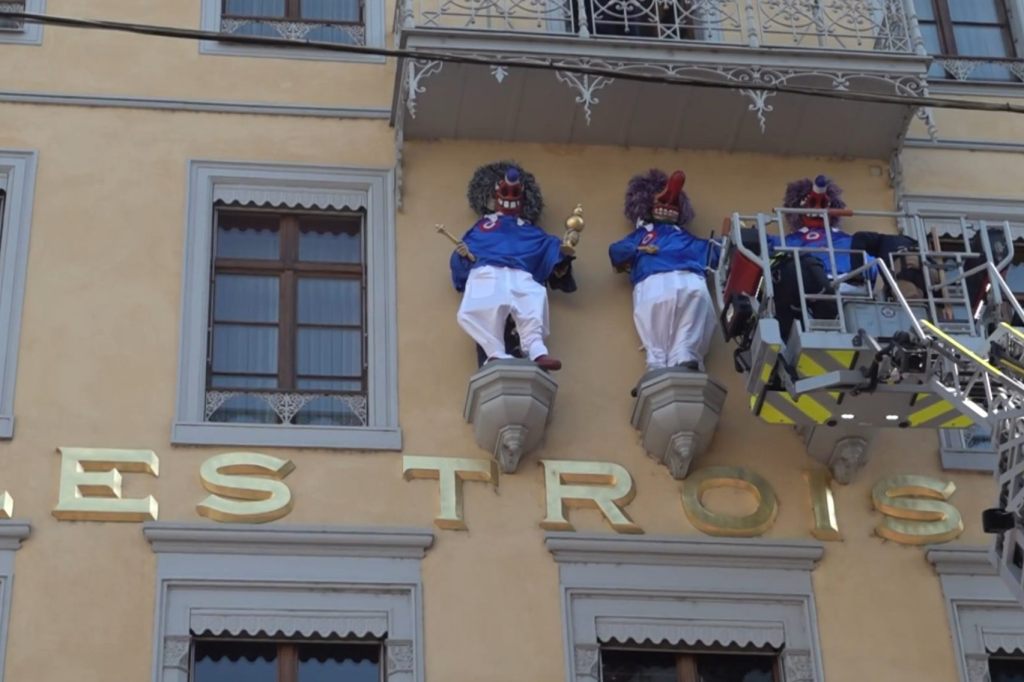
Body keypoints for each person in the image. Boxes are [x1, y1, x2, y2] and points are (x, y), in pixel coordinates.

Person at [449, 161, 576, 372]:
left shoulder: (527, 229)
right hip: (488, 270)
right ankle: (495, 352)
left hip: (520, 271)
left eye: (515, 193)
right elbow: (467, 248)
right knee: (476, 308)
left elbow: (547, 245)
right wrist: (463, 257)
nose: (509, 197)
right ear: (493, 196)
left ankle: (536, 348)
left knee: (532, 298)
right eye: (505, 192)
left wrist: (563, 250)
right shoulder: (484, 226)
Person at [609, 169, 717, 373]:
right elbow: (617, 251)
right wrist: (638, 249)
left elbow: (713, 252)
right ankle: (656, 363)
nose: (667, 204)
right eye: (662, 200)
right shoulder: (643, 235)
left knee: (696, 302)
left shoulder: (686, 238)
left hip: (690, 279)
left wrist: (732, 245)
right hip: (653, 279)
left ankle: (685, 354)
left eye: (673, 201)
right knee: (654, 315)